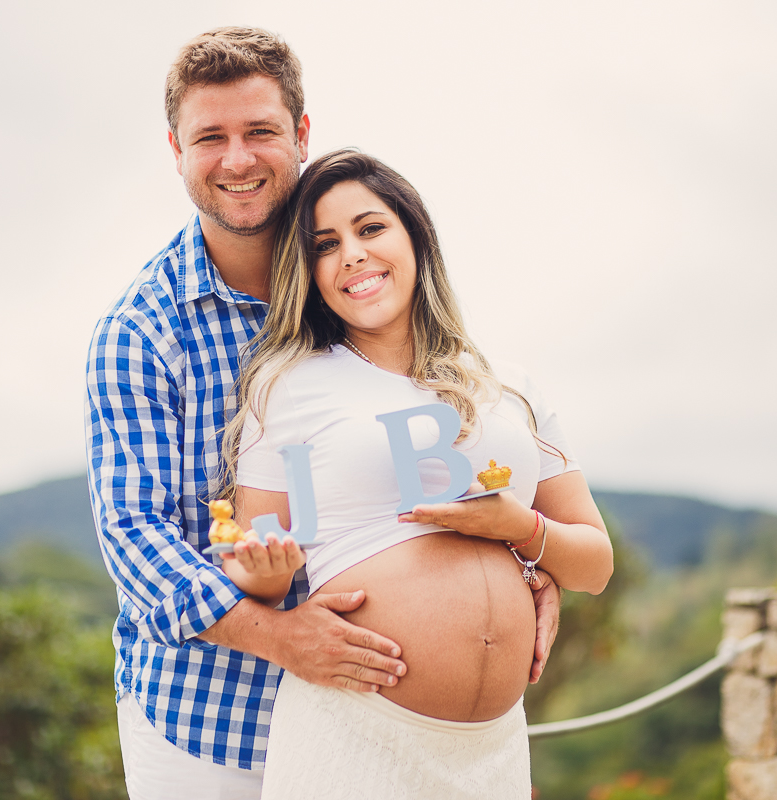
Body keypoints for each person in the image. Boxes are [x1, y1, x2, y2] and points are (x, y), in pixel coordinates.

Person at [85, 27, 565, 800]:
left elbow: (450, 443)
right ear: (175, 149)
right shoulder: (142, 332)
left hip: (385, 711)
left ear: (301, 135)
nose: (237, 159)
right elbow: (132, 535)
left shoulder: (360, 284)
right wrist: (279, 637)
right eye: (210, 137)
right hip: (211, 719)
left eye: (260, 132)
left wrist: (527, 564)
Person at [217, 150, 615, 800]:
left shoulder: (509, 387)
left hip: (492, 751)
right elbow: (264, 559)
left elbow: (594, 567)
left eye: (370, 229)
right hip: (353, 736)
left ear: (414, 236)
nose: (351, 254)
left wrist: (522, 528)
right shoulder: (287, 387)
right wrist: (260, 573)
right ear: (308, 272)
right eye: (325, 244)